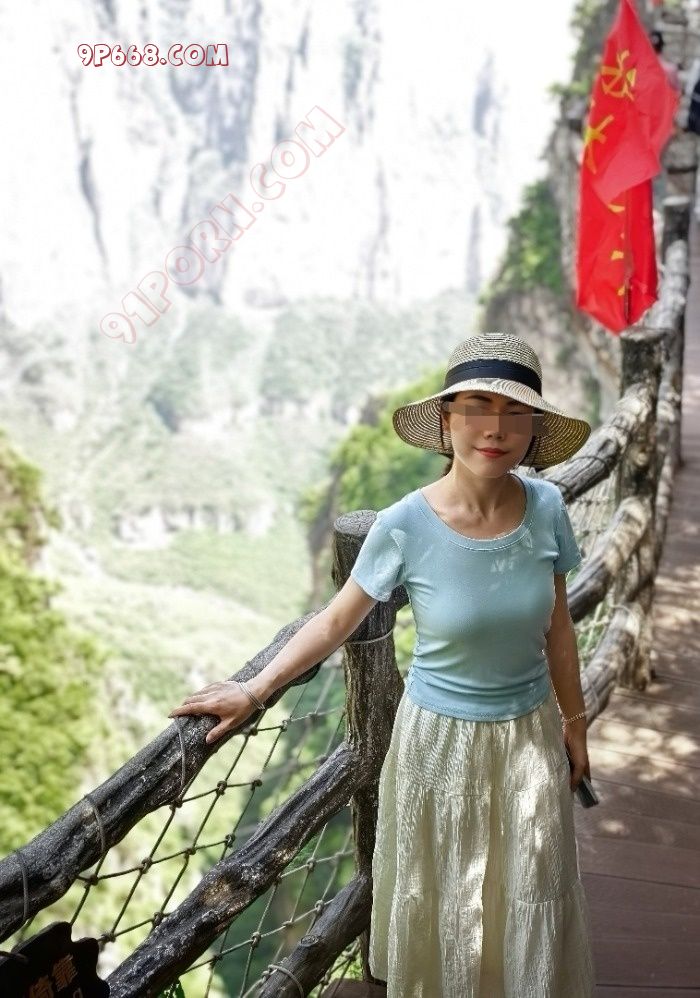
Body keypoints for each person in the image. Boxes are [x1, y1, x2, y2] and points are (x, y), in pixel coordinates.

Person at [168, 332, 597, 996]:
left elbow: (558, 626)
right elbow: (336, 620)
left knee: (531, 892)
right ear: (447, 421)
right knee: (452, 905)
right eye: (477, 407)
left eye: (516, 412)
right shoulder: (405, 524)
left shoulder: (546, 509)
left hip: (530, 736)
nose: (495, 428)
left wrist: (575, 723)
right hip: (440, 745)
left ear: (535, 429)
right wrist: (254, 690)